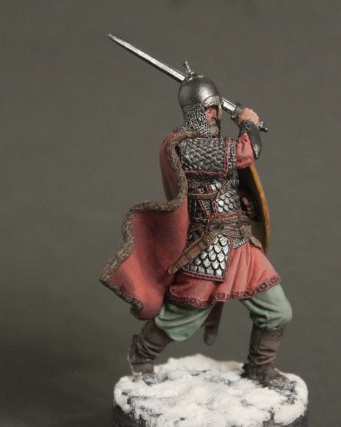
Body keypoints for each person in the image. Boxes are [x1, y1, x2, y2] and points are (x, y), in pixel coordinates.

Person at [100, 67, 293, 390]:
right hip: (210, 247)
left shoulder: (213, 144)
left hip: (241, 242)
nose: (215, 115)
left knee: (277, 311)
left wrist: (242, 200)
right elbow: (247, 152)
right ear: (197, 113)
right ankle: (142, 355)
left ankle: (260, 368)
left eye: (216, 109)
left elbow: (224, 183)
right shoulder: (189, 147)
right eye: (210, 109)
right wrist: (247, 122)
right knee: (181, 318)